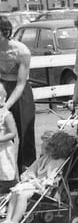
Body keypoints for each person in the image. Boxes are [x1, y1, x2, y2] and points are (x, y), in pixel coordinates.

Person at [0, 131, 76, 223]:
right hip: (36, 185)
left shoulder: (58, 162)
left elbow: (51, 180)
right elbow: (31, 171)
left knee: (22, 195)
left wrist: (36, 182)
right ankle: (8, 220)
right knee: (16, 191)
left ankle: (14, 222)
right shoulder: (44, 158)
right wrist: (29, 178)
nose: (42, 145)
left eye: (45, 143)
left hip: (46, 190)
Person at [0, 16, 34, 169]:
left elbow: (20, 84)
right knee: (4, 132)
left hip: (21, 92)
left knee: (25, 131)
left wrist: (5, 106)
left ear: (4, 32)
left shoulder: (22, 51)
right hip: (1, 87)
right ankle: (6, 173)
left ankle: (26, 171)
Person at [0, 84, 18, 189]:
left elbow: (13, 133)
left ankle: (11, 187)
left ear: (3, 98)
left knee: (6, 171)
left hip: (4, 149)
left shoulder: (6, 115)